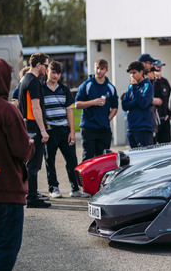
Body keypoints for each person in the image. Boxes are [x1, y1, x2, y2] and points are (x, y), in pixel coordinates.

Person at [0, 58, 35, 271]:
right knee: (5, 247)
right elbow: (21, 150)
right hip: (7, 192)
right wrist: (30, 145)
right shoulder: (7, 110)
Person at [42, 61, 86, 198]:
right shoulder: (40, 89)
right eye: (53, 72)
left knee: (72, 159)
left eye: (58, 73)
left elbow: (69, 112)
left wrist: (72, 131)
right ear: (47, 72)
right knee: (50, 161)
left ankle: (75, 188)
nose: (55, 75)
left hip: (64, 130)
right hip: (50, 130)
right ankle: (53, 188)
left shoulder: (65, 89)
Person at [17, 52, 51, 208]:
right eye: (46, 65)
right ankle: (31, 198)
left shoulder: (24, 79)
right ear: (39, 65)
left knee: (30, 163)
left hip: (27, 125)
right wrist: (43, 130)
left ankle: (30, 194)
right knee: (34, 164)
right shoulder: (34, 81)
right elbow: (35, 107)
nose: (47, 68)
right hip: (34, 126)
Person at [75, 59, 119, 161]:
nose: (99, 71)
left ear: (106, 70)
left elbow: (115, 107)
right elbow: (77, 105)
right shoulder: (87, 85)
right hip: (88, 128)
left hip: (104, 129)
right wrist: (92, 102)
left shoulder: (110, 87)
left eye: (102, 69)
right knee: (88, 158)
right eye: (97, 68)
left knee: (103, 159)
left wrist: (107, 119)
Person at [122, 61, 154, 148]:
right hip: (131, 128)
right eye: (130, 73)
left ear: (141, 72)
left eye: (134, 73)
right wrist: (135, 102)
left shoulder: (148, 86)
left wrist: (135, 89)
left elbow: (143, 104)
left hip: (144, 129)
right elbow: (124, 106)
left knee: (145, 157)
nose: (132, 75)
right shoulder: (130, 87)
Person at [153, 60, 171, 143]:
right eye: (157, 67)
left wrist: (169, 113)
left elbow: (170, 98)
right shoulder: (150, 82)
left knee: (166, 144)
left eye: (160, 67)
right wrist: (157, 80)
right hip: (154, 120)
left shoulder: (165, 81)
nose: (159, 69)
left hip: (165, 119)